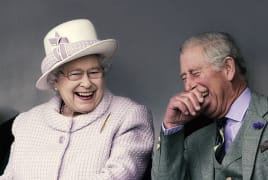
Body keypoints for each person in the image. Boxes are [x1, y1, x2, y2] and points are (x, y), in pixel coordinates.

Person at [0, 19, 154, 180]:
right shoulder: (26, 123)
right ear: (55, 81)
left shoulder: (129, 116)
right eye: (75, 74)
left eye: (94, 72)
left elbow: (119, 175)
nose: (87, 83)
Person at [151, 32, 268, 180]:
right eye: (184, 78)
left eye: (195, 73)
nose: (188, 86)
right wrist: (172, 126)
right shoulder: (193, 141)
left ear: (228, 68)